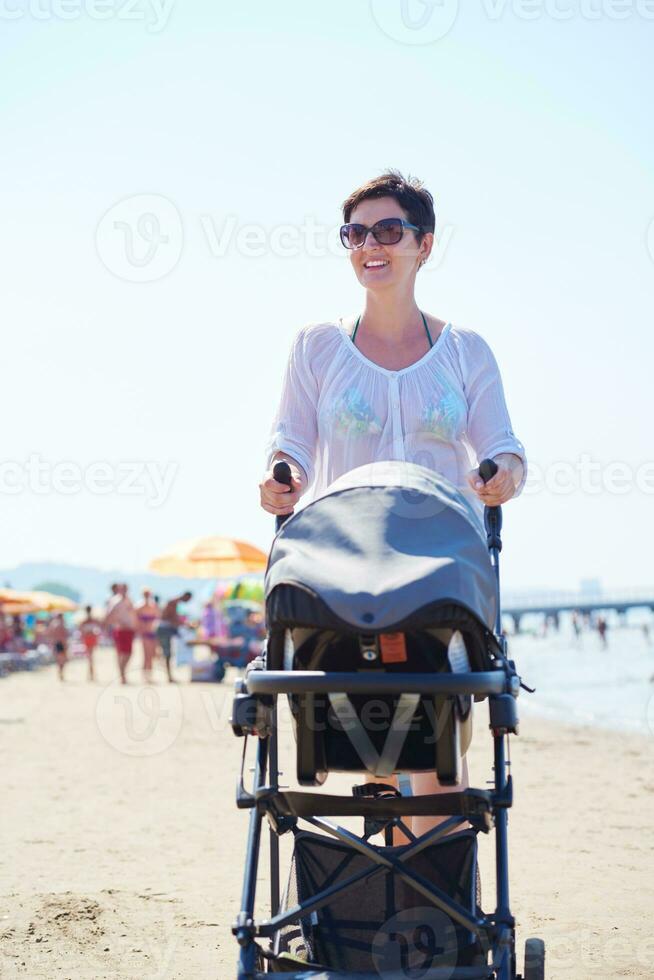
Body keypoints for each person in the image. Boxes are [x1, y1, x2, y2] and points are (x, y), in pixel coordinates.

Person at [259, 171, 527, 838]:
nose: (368, 245)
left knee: (438, 755)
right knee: (367, 748)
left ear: (423, 244)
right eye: (355, 233)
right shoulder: (316, 345)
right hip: (343, 567)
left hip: (440, 571)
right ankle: (384, 898)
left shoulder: (465, 350)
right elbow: (287, 441)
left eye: (387, 230)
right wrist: (277, 479)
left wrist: (503, 476)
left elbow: (503, 447)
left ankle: (427, 902)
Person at [104, 583, 138, 684]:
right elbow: (109, 615)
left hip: (129, 629)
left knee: (128, 653)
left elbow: (133, 614)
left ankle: (123, 673)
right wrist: (117, 623)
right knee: (121, 653)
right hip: (120, 629)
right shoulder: (115, 600)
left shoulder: (129, 600)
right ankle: (122, 675)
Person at [156, 592, 192, 683]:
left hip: (166, 629)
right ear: (186, 597)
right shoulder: (173, 602)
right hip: (164, 630)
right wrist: (185, 624)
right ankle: (169, 676)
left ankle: (169, 675)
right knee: (167, 653)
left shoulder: (174, 602)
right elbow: (170, 617)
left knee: (168, 653)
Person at [135, 589, 161, 682]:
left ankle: (149, 674)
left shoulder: (153, 606)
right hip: (144, 633)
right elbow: (136, 621)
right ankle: (145, 675)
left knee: (152, 654)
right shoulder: (139, 606)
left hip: (152, 632)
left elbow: (158, 618)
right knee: (146, 655)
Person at [79, 605, 102, 681]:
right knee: (91, 657)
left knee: (90, 657)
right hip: (91, 638)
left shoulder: (84, 621)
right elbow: (98, 629)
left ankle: (91, 673)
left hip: (88, 638)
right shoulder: (93, 620)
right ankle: (91, 673)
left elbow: (81, 631)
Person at [46, 614, 69, 681]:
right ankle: (61, 673)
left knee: (59, 659)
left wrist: (52, 641)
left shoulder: (53, 624)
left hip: (56, 643)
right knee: (62, 659)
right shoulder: (61, 624)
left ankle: (59, 673)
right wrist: (65, 645)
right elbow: (63, 636)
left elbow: (48, 633)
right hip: (61, 643)